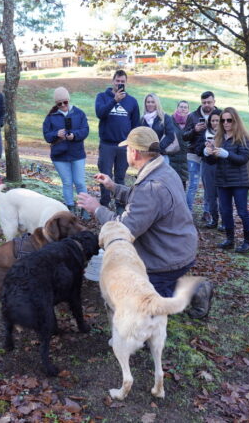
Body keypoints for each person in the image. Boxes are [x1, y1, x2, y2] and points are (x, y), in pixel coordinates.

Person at [77, 126, 213, 318]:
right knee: (155, 283)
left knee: (141, 302)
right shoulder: (163, 170)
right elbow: (141, 200)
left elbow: (123, 229)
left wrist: (96, 208)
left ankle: (190, 292)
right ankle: (195, 287)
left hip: (165, 258)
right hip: (179, 249)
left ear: (134, 151)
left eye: (127, 148)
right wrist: (113, 186)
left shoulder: (151, 186)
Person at [203, 107, 249, 253]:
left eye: (229, 120)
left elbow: (243, 159)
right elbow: (212, 162)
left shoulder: (243, 138)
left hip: (239, 182)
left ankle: (247, 242)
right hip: (222, 181)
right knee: (225, 211)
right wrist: (208, 154)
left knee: (242, 211)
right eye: (223, 120)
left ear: (235, 120)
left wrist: (227, 154)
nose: (225, 123)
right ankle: (230, 239)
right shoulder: (219, 137)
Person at [95, 69, 140, 209]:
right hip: (107, 144)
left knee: (120, 176)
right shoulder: (102, 96)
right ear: (113, 81)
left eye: (122, 82)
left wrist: (132, 144)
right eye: (117, 81)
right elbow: (100, 113)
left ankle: (120, 204)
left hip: (124, 146)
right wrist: (114, 100)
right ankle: (104, 204)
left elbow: (135, 124)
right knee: (105, 175)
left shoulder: (132, 101)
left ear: (126, 83)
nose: (120, 83)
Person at [42, 86, 89, 213]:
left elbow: (85, 130)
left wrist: (74, 135)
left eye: (65, 102)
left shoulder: (79, 113)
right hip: (59, 155)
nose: (63, 105)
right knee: (67, 182)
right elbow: (46, 135)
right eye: (59, 103)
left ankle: (84, 208)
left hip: (77, 154)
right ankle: (70, 208)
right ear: (56, 103)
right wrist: (56, 134)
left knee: (79, 182)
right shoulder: (51, 117)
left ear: (68, 100)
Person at [183, 91, 220, 215]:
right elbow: (184, 136)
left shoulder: (219, 115)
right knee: (193, 184)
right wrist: (194, 130)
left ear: (214, 101)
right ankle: (187, 212)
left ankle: (207, 212)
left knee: (208, 185)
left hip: (211, 154)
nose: (207, 105)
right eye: (204, 102)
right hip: (194, 153)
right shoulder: (193, 116)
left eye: (209, 102)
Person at [197, 110, 221, 228]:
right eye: (213, 121)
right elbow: (197, 148)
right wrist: (204, 149)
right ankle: (214, 220)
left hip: (222, 166)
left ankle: (225, 222)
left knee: (222, 195)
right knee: (210, 194)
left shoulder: (226, 134)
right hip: (208, 165)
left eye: (217, 120)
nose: (215, 123)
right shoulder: (204, 132)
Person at [139, 93, 176, 163]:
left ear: (157, 103)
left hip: (161, 155)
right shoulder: (142, 119)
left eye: (153, 102)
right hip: (146, 156)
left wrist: (158, 148)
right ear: (145, 104)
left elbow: (170, 136)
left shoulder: (165, 117)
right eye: (148, 102)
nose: (150, 104)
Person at [168, 100, 189, 190]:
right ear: (177, 108)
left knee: (182, 185)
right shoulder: (170, 120)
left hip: (186, 159)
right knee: (170, 183)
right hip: (171, 157)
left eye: (185, 107)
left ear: (188, 110)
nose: (183, 109)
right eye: (181, 107)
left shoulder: (191, 122)